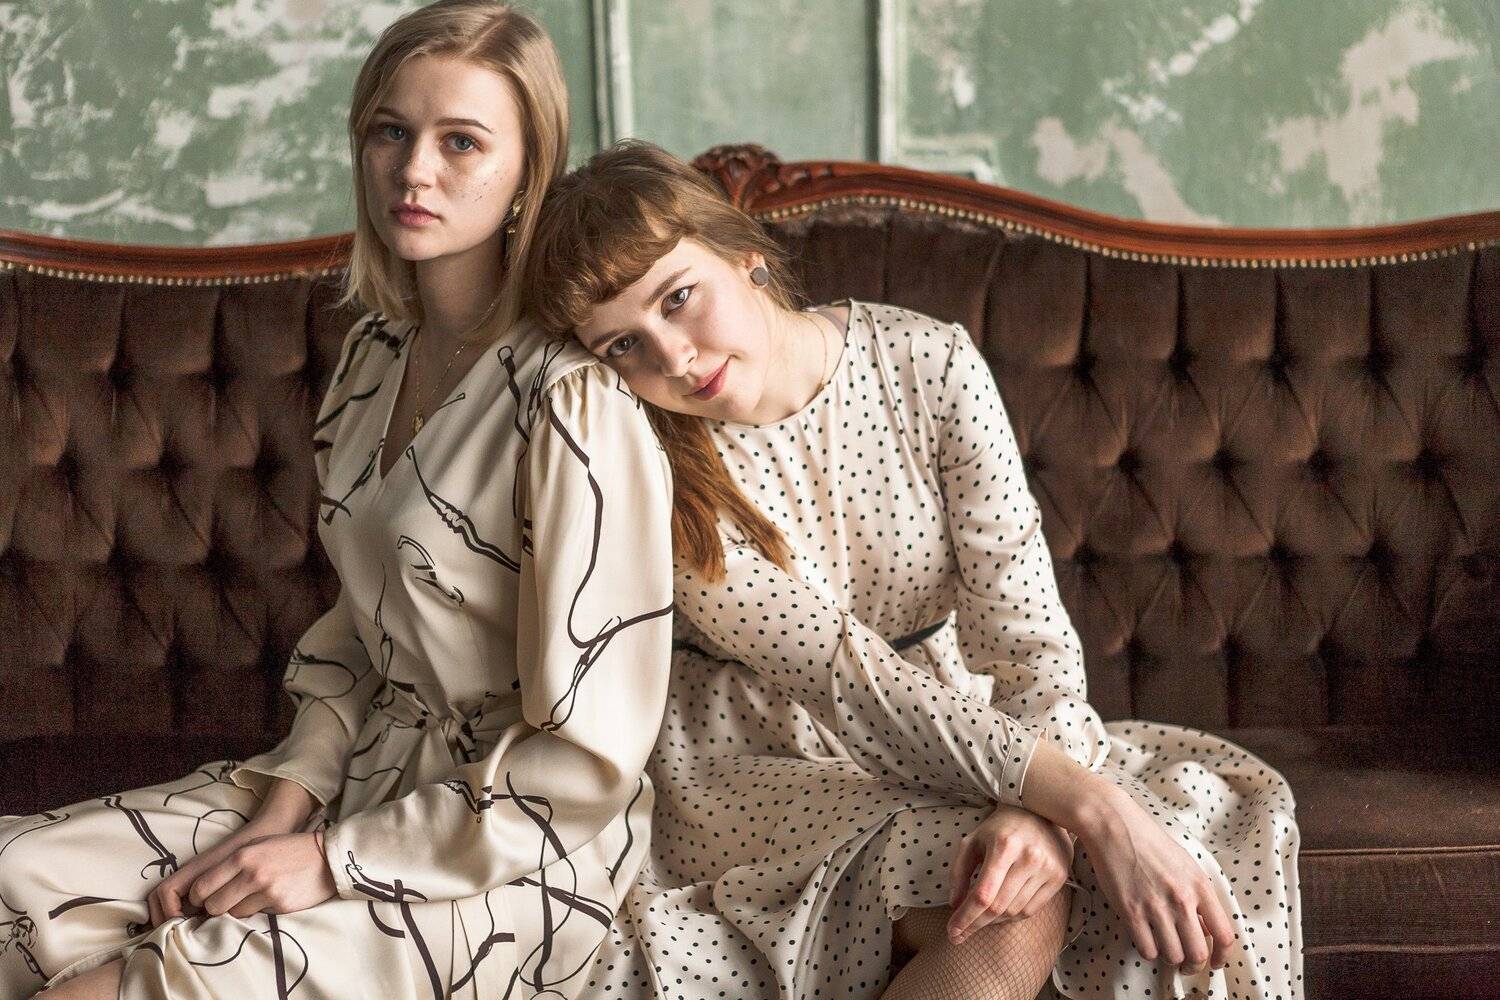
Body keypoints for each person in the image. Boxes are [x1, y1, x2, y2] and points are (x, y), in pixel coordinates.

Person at [524, 140, 1303, 1000]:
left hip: (966, 733)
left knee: (1116, 904)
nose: (671, 357)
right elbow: (845, 677)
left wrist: (1038, 816)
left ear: (743, 254)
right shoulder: (641, 456)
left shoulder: (931, 365)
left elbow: (1031, 643)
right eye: (624, 344)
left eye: (679, 298)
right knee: (1006, 900)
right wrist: (1093, 808)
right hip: (749, 762)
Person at [0, 5, 673, 998]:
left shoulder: (571, 401)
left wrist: (328, 861)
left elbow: (588, 761)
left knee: (126, 989)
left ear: (529, 172)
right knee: (14, 880)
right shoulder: (373, 358)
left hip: (512, 845)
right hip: (351, 774)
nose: (414, 171)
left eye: (462, 142)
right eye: (390, 132)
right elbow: (364, 633)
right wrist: (286, 805)